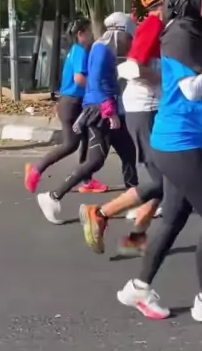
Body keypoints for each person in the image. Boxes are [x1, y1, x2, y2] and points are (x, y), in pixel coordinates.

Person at [80, 0, 202, 322]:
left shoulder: (194, 34)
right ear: (189, 1)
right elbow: (191, 90)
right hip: (178, 142)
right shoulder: (179, 35)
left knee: (174, 217)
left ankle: (138, 287)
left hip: (178, 139)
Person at [80, 0, 170, 256]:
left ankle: (136, 237)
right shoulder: (152, 25)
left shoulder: (162, 26)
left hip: (152, 108)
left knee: (166, 181)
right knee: (161, 181)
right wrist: (162, 78)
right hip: (144, 109)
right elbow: (131, 67)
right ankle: (100, 213)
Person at [37, 12, 138, 225]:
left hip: (109, 109)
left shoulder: (107, 49)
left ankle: (134, 203)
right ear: (118, 33)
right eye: (129, 37)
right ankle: (52, 196)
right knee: (95, 160)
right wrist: (110, 111)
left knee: (129, 153)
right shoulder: (101, 50)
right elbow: (97, 82)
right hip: (99, 111)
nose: (130, 42)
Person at [24, 17, 108, 194]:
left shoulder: (76, 50)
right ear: (81, 34)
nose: (91, 34)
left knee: (86, 139)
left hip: (73, 102)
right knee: (70, 144)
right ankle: (37, 169)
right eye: (89, 31)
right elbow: (79, 78)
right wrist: (97, 87)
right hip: (72, 103)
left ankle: (86, 179)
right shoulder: (79, 51)